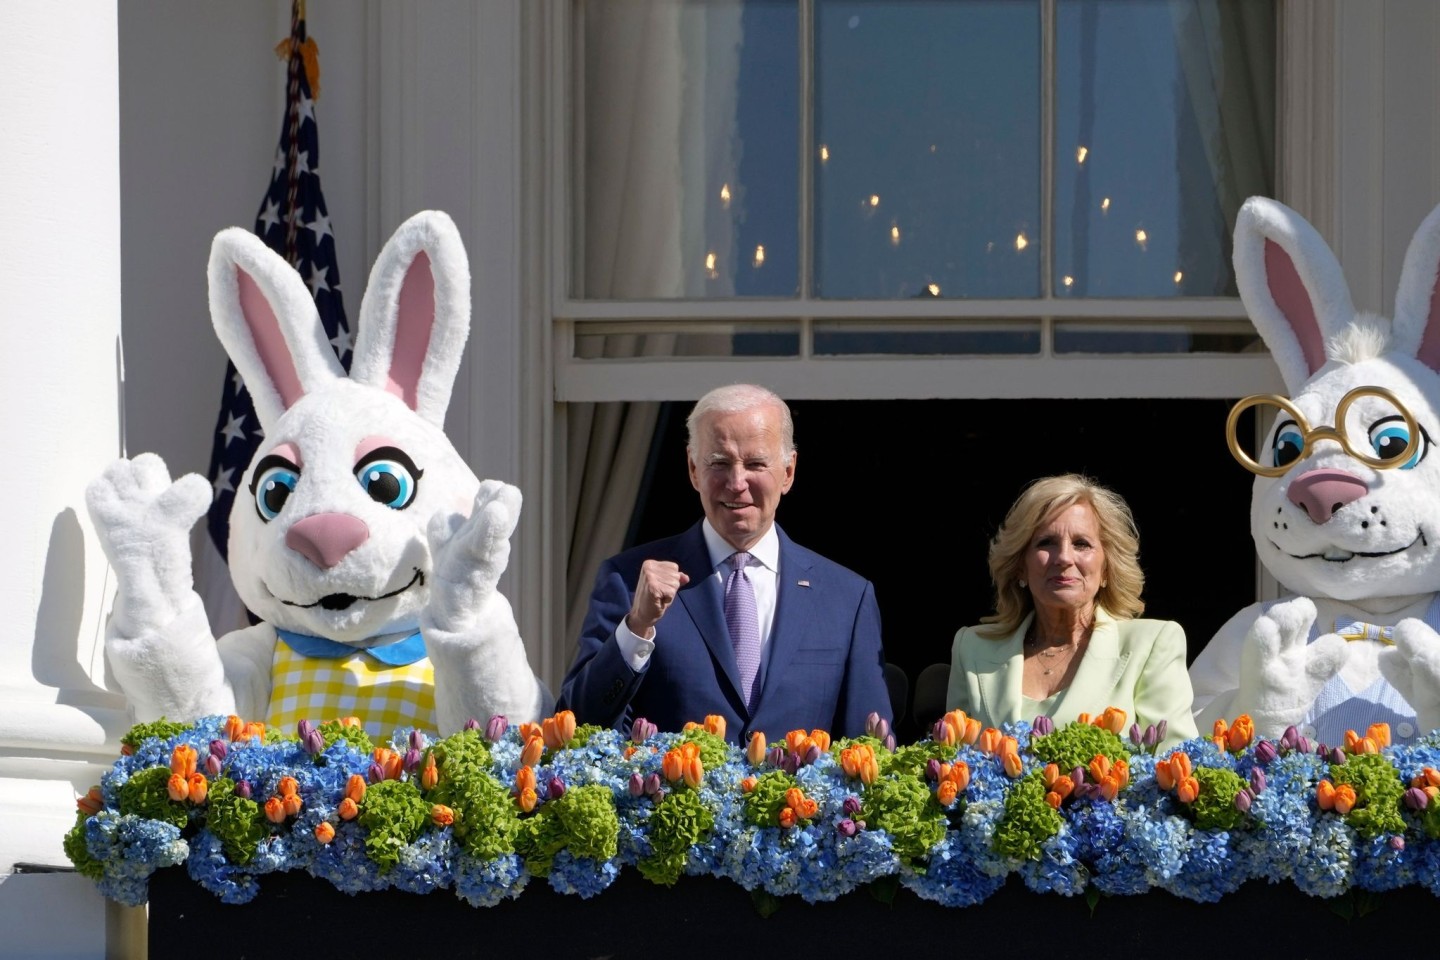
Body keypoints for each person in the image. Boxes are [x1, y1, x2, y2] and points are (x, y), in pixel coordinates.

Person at [558, 384, 893, 742]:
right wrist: (637, 627)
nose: (736, 483)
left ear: (788, 472)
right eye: (719, 463)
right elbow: (577, 726)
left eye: (755, 464)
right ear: (693, 469)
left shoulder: (846, 597)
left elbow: (869, 753)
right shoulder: (627, 580)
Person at [947, 474, 1197, 748]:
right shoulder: (973, 648)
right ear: (1020, 566)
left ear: (1105, 569)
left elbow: (1177, 767)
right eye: (1046, 543)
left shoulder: (1152, 644)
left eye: (1082, 544)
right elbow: (953, 765)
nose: (1064, 557)